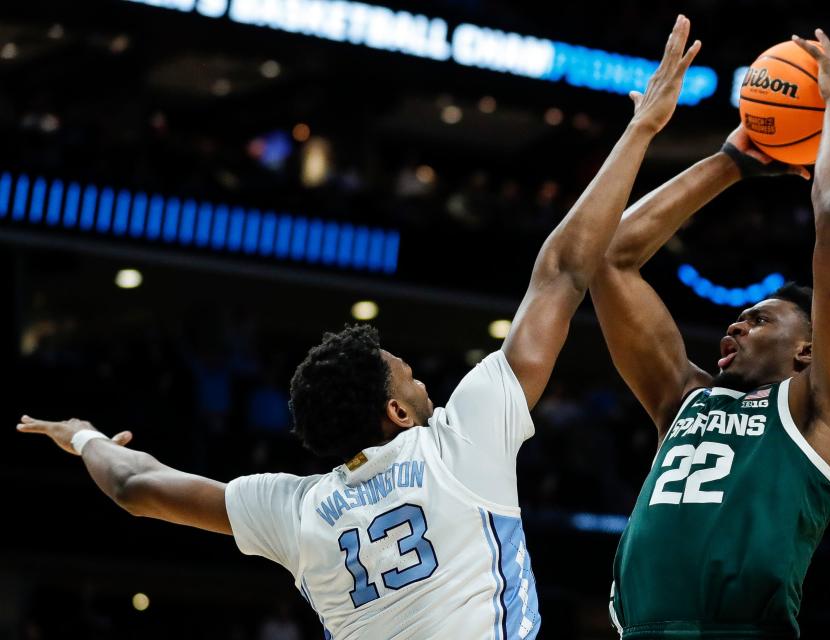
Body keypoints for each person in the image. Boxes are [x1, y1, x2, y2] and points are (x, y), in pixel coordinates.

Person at [16, 16, 702, 639]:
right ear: (397, 411)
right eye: (411, 375)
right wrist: (642, 127)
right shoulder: (458, 447)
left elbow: (136, 487)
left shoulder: (296, 509)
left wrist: (85, 439)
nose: (427, 380)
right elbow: (560, 271)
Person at [591, 29, 830, 639]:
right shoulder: (684, 399)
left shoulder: (822, 412)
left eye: (761, 318)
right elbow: (610, 257)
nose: (736, 322)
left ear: (808, 349)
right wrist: (732, 160)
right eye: (742, 316)